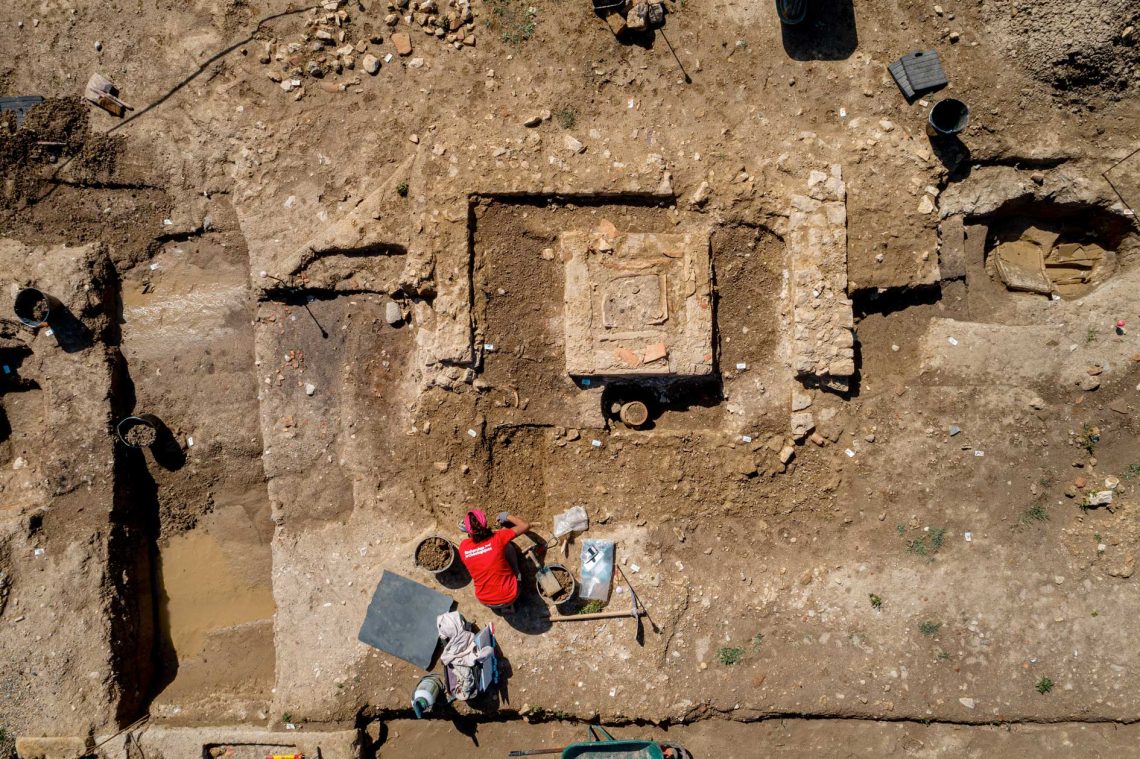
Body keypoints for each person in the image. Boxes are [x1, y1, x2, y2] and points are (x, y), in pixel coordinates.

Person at [458, 508, 530, 612]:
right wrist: (506, 516)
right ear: (485, 523)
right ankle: (516, 574)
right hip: (511, 595)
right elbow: (525, 526)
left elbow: (479, 550)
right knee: (508, 547)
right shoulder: (498, 538)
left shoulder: (463, 547)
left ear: (469, 531)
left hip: (485, 601)